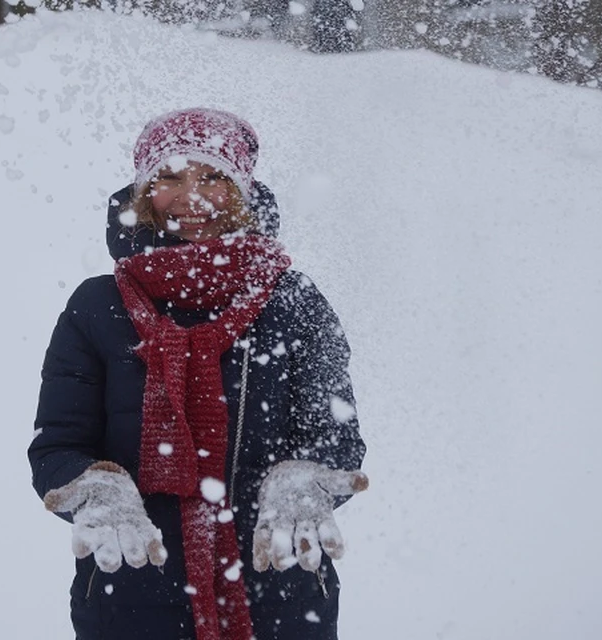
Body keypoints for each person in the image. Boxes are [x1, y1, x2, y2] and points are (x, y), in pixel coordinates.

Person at [29, 107, 367, 640]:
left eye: (213, 176)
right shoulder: (97, 307)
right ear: (143, 194)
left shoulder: (293, 302)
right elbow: (57, 446)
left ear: (243, 192)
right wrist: (95, 488)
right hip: (131, 596)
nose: (193, 197)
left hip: (279, 594)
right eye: (169, 178)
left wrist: (305, 478)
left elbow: (334, 436)